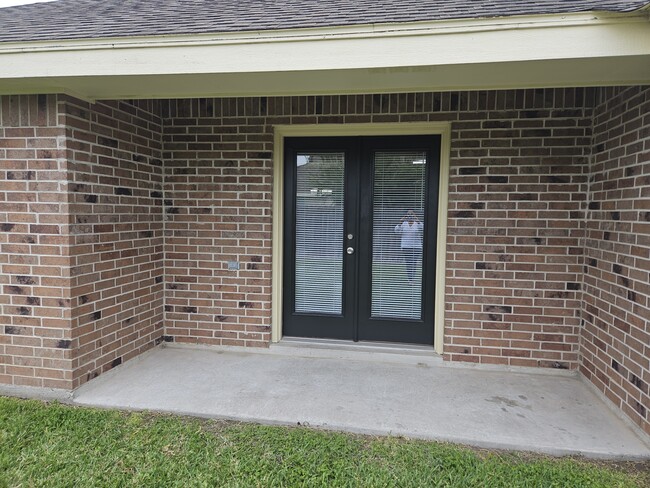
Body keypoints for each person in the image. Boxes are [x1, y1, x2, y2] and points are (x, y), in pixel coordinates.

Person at [394, 210, 423, 284]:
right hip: (406, 246)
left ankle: (412, 278)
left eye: (412, 215)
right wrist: (400, 222)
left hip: (416, 247)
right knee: (408, 262)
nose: (410, 217)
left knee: (414, 262)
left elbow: (423, 228)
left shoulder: (417, 224)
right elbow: (396, 231)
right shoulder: (404, 224)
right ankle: (410, 279)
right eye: (409, 215)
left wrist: (417, 219)